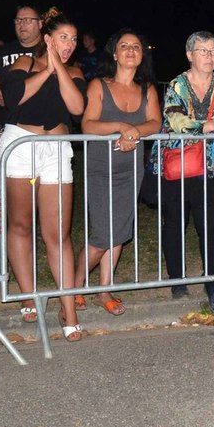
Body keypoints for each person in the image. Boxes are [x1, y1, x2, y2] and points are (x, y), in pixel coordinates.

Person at [0, 8, 86, 340]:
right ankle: (28, 294)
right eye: (63, 37)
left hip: (57, 149)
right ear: (47, 39)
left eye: (74, 39)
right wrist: (46, 67)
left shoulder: (75, 71)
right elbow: (13, 98)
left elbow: (76, 108)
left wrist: (59, 69)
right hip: (20, 143)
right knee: (20, 224)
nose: (69, 44)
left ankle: (68, 309)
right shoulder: (23, 65)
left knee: (58, 233)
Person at [149, 32, 214, 309]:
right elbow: (175, 120)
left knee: (211, 226)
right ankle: (177, 279)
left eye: (213, 51)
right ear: (189, 55)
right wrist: (210, 125)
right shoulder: (176, 84)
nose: (210, 56)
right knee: (175, 223)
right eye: (203, 51)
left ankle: (212, 282)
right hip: (178, 164)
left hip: (211, 167)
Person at [75, 30, 161, 315]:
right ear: (114, 54)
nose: (130, 50)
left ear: (141, 54)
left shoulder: (147, 88)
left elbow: (155, 123)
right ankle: (74, 287)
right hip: (101, 168)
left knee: (120, 232)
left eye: (136, 46)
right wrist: (123, 126)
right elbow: (88, 125)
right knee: (102, 235)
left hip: (130, 169)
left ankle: (104, 290)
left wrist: (136, 130)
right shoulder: (100, 85)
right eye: (124, 46)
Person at [0, 5, 42, 132]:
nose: (22, 24)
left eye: (28, 20)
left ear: (40, 24)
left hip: (46, 128)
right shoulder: (2, 51)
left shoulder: (50, 50)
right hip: (10, 127)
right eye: (18, 20)